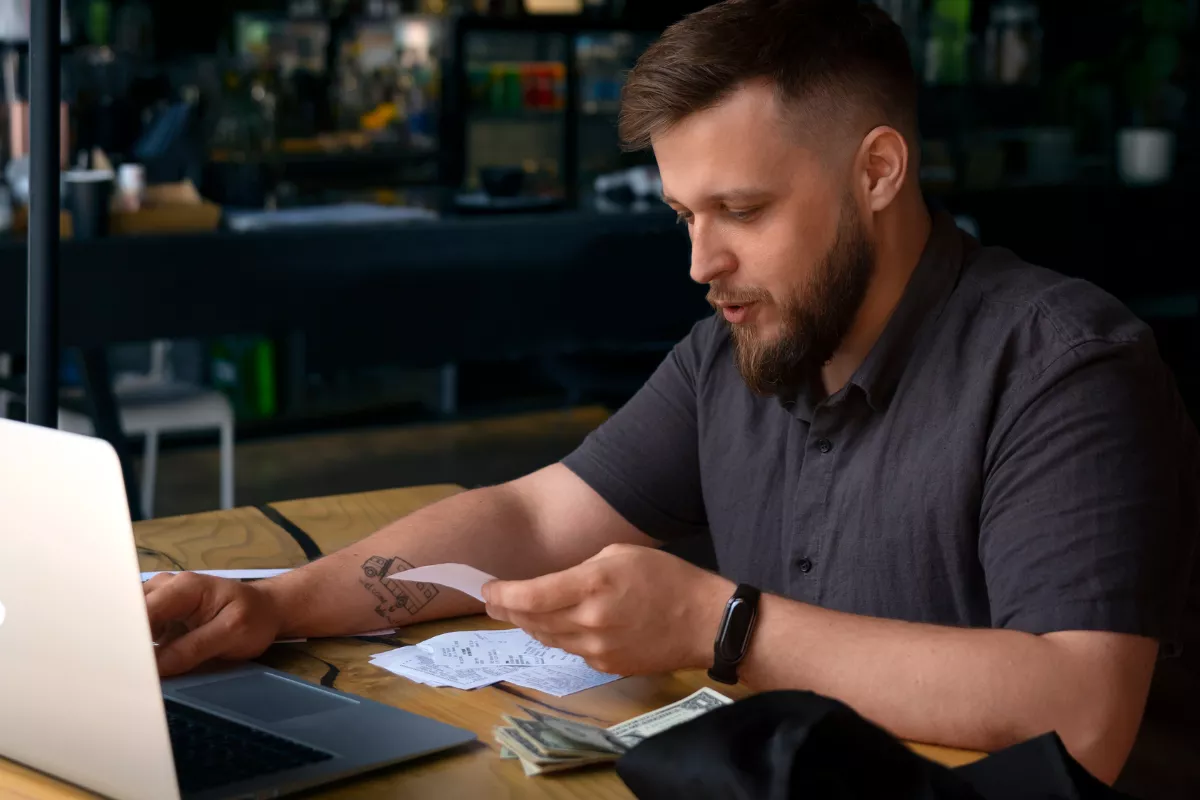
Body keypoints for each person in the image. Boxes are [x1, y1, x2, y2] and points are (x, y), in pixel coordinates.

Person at [144, 0, 1197, 788]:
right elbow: (532, 515)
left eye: (739, 208)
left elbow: (1084, 714)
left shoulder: (1064, 366)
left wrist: (719, 622)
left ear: (878, 171)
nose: (701, 262)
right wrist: (277, 602)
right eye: (684, 214)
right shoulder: (728, 354)